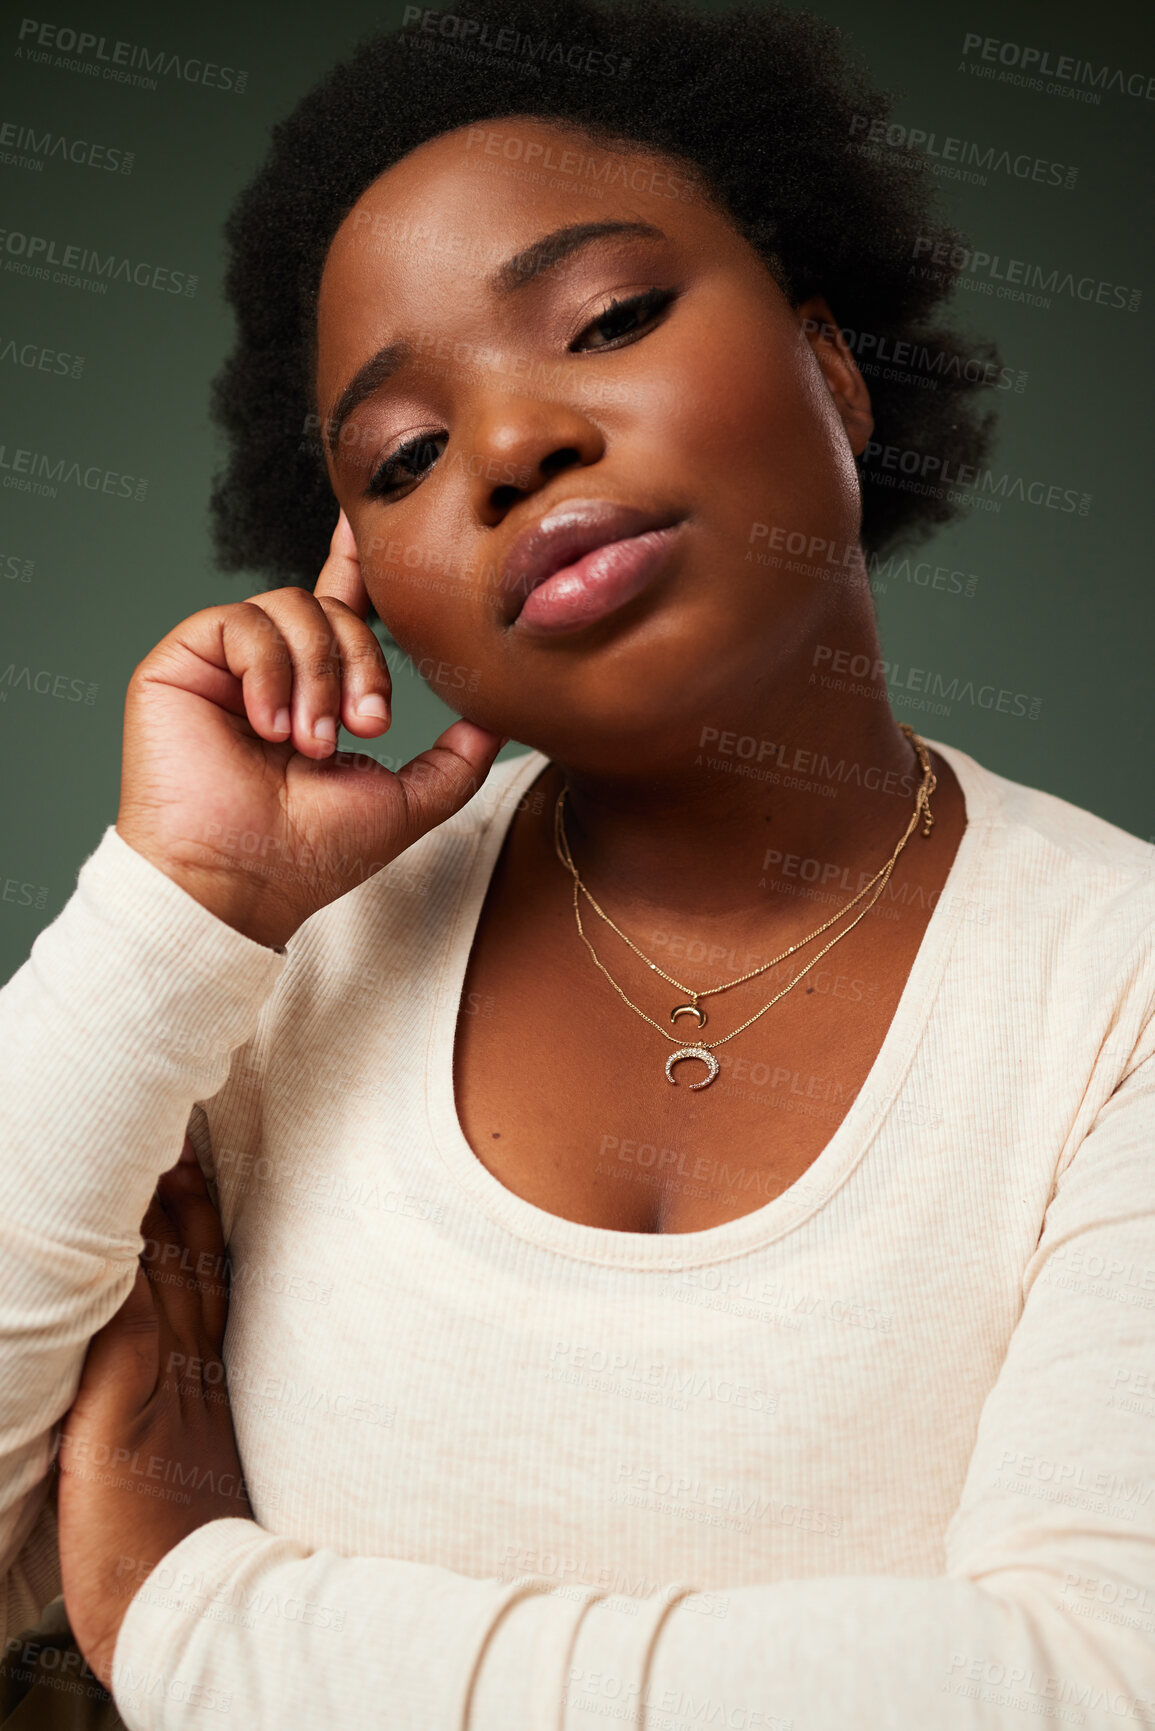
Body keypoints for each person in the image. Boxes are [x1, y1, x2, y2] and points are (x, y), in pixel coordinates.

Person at [1, 0, 1153, 1724]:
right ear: (366, 577)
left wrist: (188, 1611)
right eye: (401, 457)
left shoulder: (1118, 981)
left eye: (607, 318)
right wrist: (183, 914)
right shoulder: (268, 972)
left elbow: (1084, 1683)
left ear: (834, 373)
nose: (513, 444)